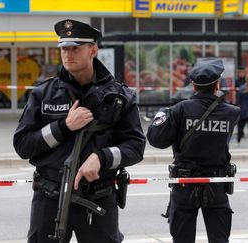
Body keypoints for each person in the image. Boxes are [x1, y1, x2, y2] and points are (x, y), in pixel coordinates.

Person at [13, 19, 146, 243]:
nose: (68, 54)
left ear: (93, 50)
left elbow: (136, 147)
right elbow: (23, 145)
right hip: (49, 198)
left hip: (98, 197)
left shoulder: (121, 97)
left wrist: (101, 158)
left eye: (75, 48)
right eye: (64, 48)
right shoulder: (43, 94)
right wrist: (63, 127)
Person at [147, 59, 241, 243]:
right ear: (217, 84)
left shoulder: (180, 110)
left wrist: (163, 113)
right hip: (217, 183)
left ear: (193, 85)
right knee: (219, 239)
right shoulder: (232, 113)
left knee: (182, 239)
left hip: (185, 184)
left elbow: (156, 140)